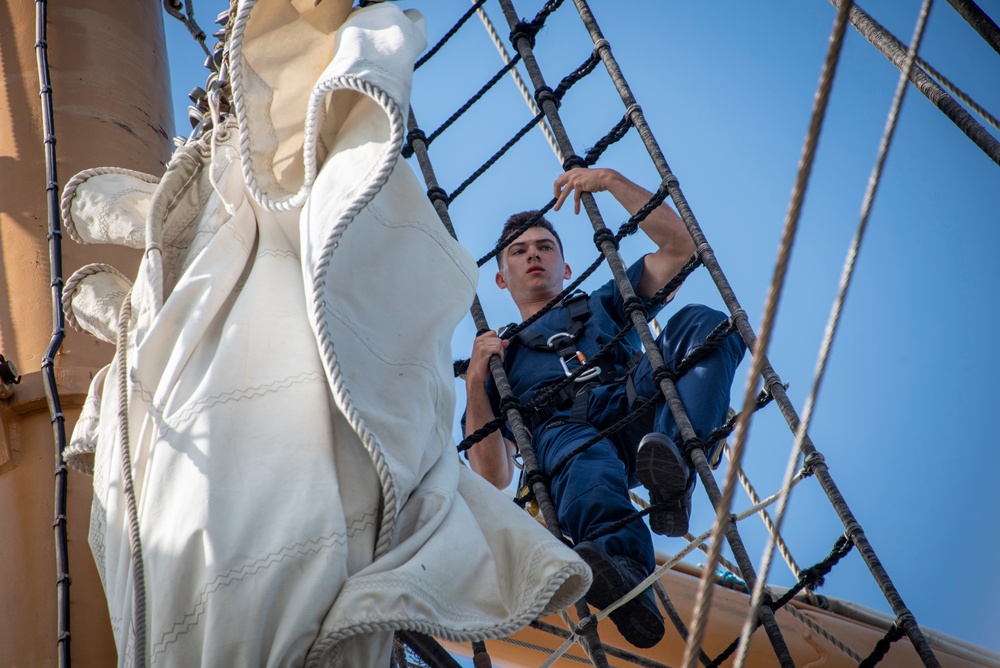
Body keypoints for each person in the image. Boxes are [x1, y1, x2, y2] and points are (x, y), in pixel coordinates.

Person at [463, 167, 746, 648]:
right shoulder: (497, 362)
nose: (533, 254)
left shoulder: (601, 303)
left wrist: (611, 182)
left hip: (633, 405)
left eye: (544, 246)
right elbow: (492, 476)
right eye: (519, 251)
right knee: (581, 462)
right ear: (500, 276)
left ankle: (674, 469)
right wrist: (474, 381)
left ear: (566, 268)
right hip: (564, 436)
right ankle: (631, 583)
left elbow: (681, 249)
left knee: (707, 324)